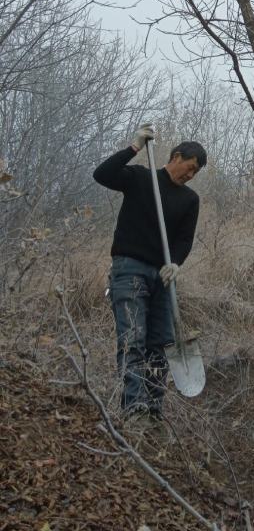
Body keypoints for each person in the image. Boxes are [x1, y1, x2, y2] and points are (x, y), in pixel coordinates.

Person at [94, 124, 207, 420]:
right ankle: (133, 410)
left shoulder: (190, 200)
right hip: (128, 269)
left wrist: (175, 263)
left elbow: (184, 239)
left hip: (162, 278)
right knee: (133, 339)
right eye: (190, 167)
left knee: (162, 344)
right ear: (177, 156)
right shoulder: (142, 179)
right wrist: (134, 146)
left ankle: (153, 411)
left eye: (196, 173)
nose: (190, 175)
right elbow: (102, 175)